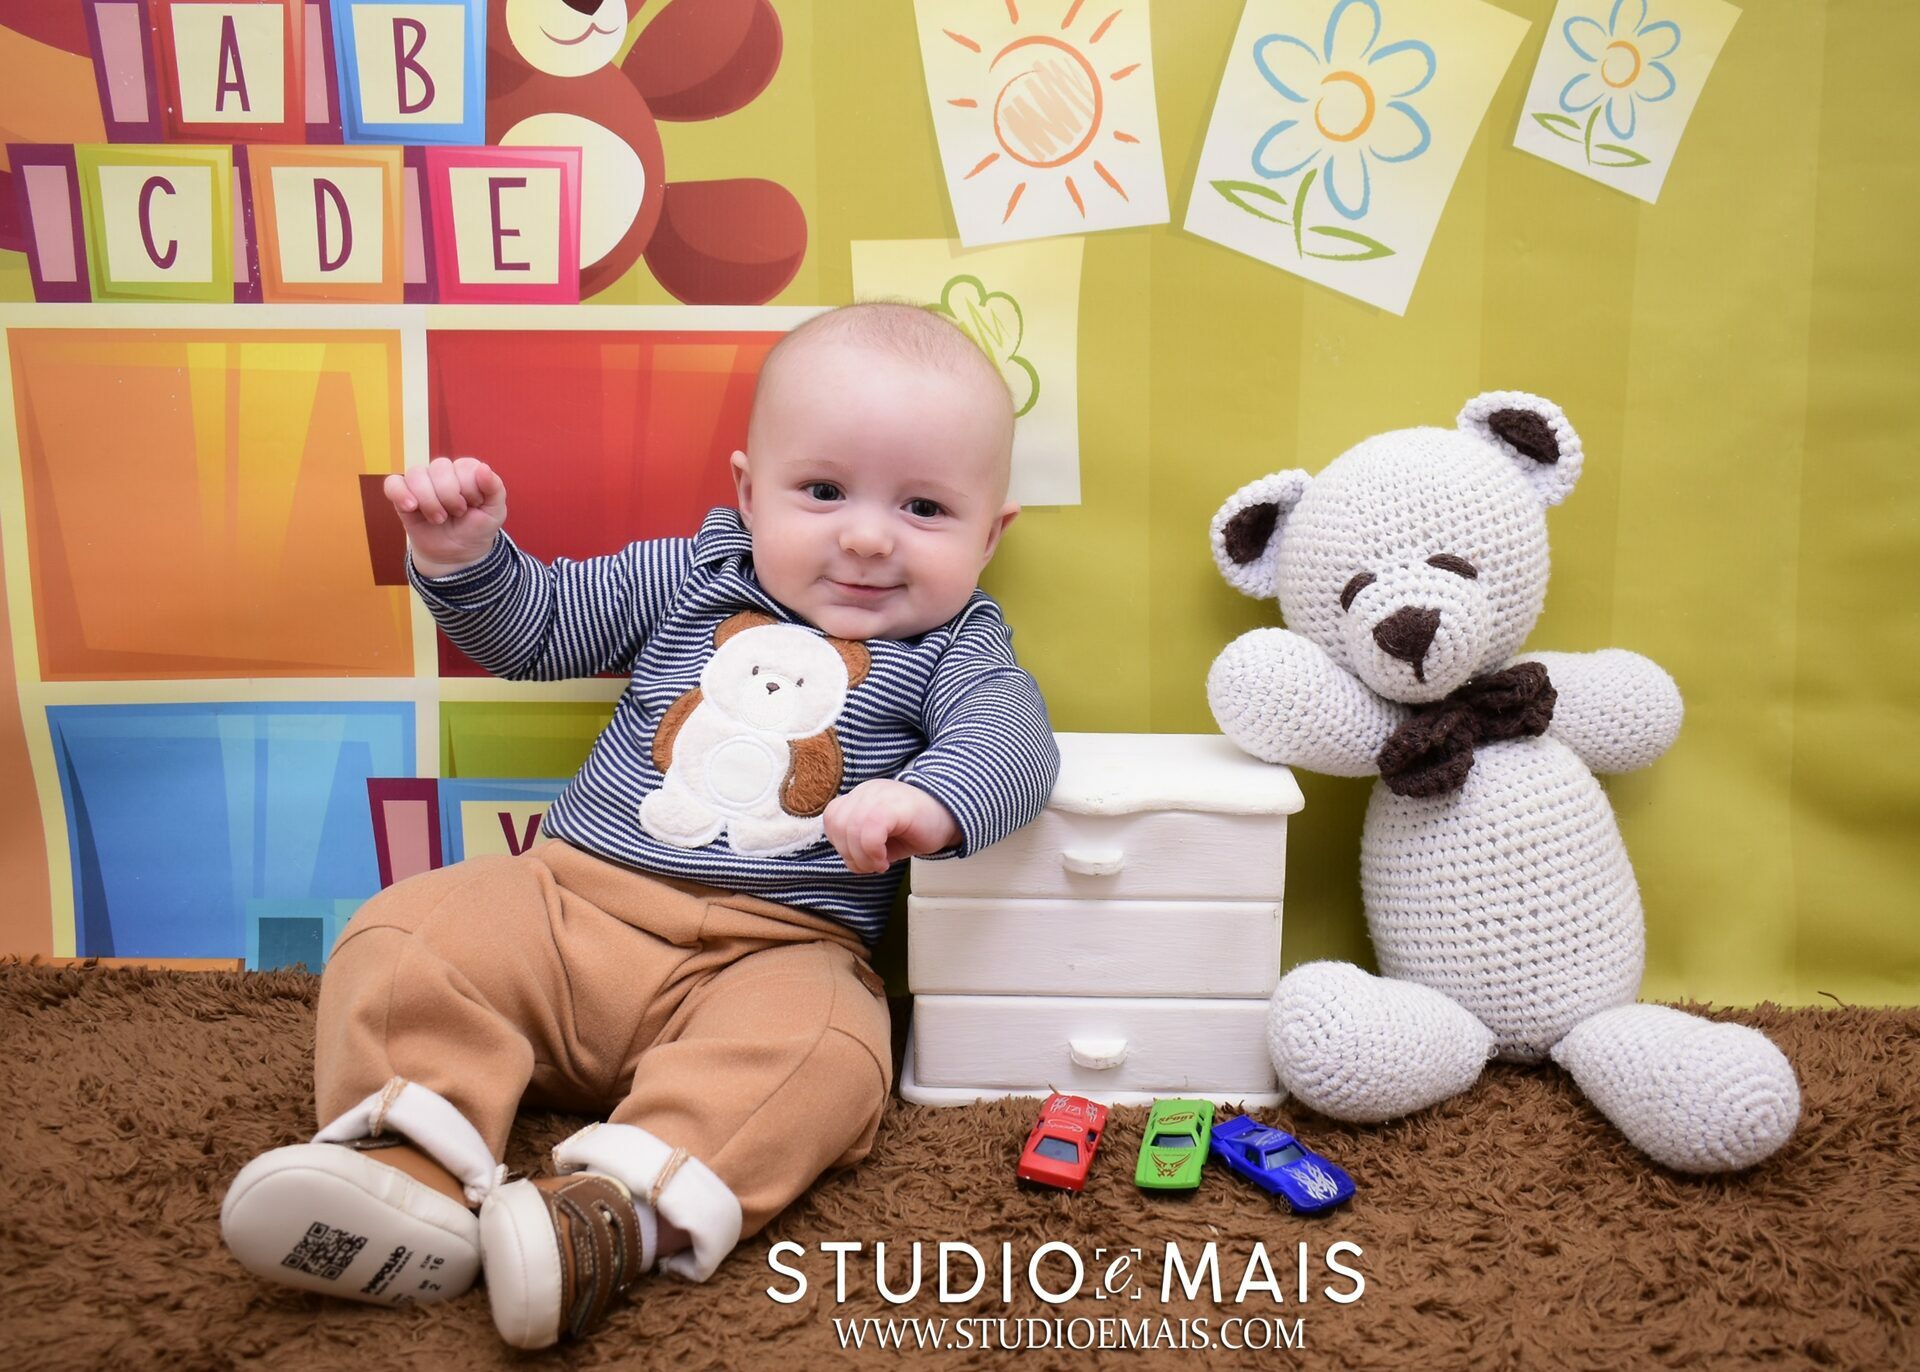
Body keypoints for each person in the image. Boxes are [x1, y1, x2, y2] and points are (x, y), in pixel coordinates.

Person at [219, 303, 1058, 1348]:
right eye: (822, 491)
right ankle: (409, 1163)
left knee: (834, 1053)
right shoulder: (695, 573)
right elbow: (539, 630)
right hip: (567, 906)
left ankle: (612, 1217)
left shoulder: (958, 647)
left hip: (775, 952)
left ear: (990, 533)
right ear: (748, 492)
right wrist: (463, 558)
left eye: (925, 508)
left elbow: (1015, 744)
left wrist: (925, 802)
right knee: (408, 933)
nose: (866, 535)